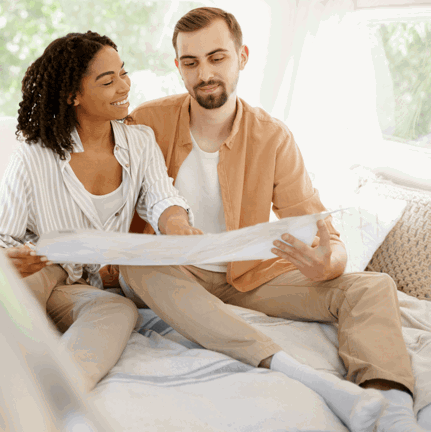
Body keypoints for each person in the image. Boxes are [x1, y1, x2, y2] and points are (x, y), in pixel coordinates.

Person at [110, 6, 423, 431]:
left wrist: (327, 262)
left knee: (372, 286)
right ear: (179, 68)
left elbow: (321, 231)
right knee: (137, 260)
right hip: (173, 273)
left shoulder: (272, 137)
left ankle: (394, 406)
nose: (204, 73)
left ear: (242, 57)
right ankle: (291, 367)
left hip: (249, 277)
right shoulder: (146, 122)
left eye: (217, 57)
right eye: (191, 62)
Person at [0, 31, 201, 392]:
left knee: (118, 311)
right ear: (73, 94)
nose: (124, 86)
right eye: (108, 80)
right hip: (40, 271)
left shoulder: (140, 141)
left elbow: (162, 198)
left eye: (123, 73)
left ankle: (62, 393)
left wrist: (176, 223)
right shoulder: (34, 155)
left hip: (83, 288)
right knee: (19, 295)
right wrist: (10, 258)